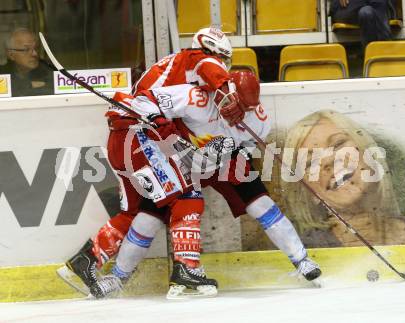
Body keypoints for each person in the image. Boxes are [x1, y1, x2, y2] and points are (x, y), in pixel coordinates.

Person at [88, 70, 321, 299]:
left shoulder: (258, 119)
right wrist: (158, 120)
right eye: (236, 103)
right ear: (224, 91)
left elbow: (248, 146)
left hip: (226, 158)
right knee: (148, 217)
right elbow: (142, 101)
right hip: (181, 158)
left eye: (246, 108)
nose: (239, 113)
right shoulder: (194, 97)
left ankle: (302, 260)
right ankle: (117, 278)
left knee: (261, 204)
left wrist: (226, 152)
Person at [59, 27, 242, 297]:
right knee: (188, 195)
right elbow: (208, 67)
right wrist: (227, 91)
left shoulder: (174, 65)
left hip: (122, 139)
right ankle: (187, 270)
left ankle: (87, 260)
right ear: (209, 51)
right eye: (223, 59)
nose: (224, 66)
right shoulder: (197, 60)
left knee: (135, 210)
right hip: (140, 137)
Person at [281, 110, 405, 247]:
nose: (328, 160)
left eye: (338, 144)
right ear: (310, 192)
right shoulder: (304, 253)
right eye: (311, 162)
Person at [0, 28, 53, 97]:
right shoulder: (2, 73)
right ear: (11, 55)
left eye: (36, 48)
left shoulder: (48, 71)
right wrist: (28, 84)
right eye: (26, 49)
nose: (35, 54)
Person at [330, 0, 395, 48]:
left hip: (369, 7)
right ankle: (387, 49)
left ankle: (373, 56)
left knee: (366, 12)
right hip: (345, 7)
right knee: (379, 3)